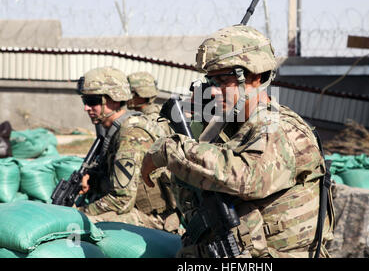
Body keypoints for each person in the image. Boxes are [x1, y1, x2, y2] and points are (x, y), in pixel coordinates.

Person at [141, 24, 335, 258]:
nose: (212, 92)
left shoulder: (280, 127)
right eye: (210, 82)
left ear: (254, 76)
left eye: (223, 80)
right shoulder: (234, 125)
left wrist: (168, 150)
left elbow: (246, 177)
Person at [76, 66, 170, 228]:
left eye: (92, 101)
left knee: (80, 224)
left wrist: (80, 212)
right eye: (85, 101)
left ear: (114, 99)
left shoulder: (132, 133)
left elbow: (122, 201)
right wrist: (92, 180)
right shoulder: (116, 130)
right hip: (137, 210)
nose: (86, 107)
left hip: (156, 219)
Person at [127, 71, 184, 235]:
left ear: (140, 94)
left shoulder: (145, 122)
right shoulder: (162, 115)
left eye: (130, 92)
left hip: (157, 200)